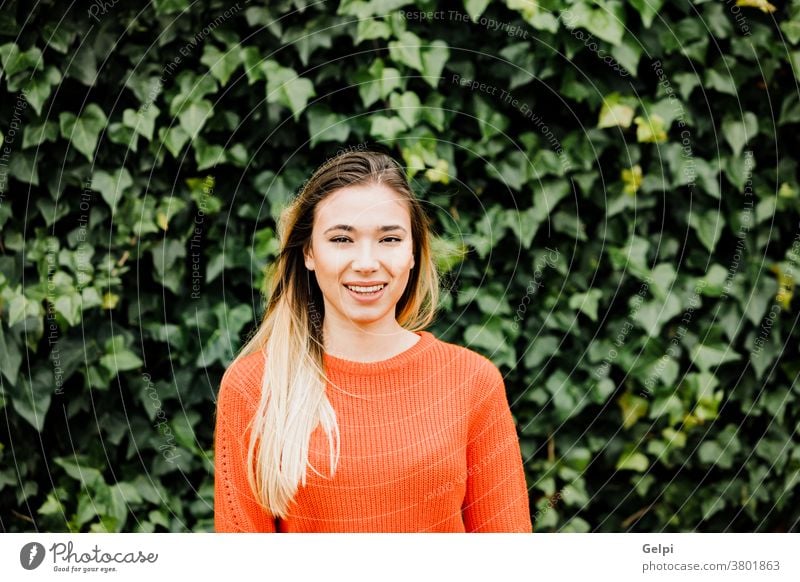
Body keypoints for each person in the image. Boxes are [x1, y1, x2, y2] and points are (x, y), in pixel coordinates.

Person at [213, 149, 532, 532]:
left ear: (413, 252)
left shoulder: (471, 381)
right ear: (309, 253)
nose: (366, 262)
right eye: (342, 238)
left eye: (389, 238)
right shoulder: (254, 387)